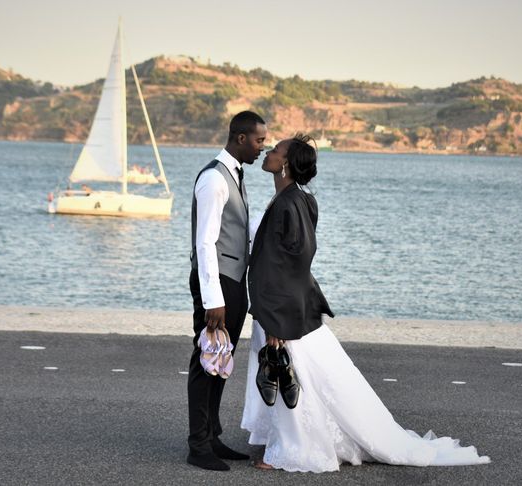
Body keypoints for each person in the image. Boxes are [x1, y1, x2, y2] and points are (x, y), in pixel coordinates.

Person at [241, 134, 491, 473]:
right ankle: (292, 442)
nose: (269, 152)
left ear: (285, 163)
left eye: (276, 150)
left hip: (282, 312)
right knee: (304, 380)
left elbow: (290, 265)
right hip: (283, 308)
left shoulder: (289, 204)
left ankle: (300, 450)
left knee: (292, 380)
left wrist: (275, 322)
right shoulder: (297, 198)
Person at [187, 110, 267, 472]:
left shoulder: (234, 174)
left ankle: (212, 435)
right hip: (217, 284)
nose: (262, 147)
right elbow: (204, 243)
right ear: (240, 138)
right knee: (206, 361)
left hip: (233, 282)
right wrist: (213, 299)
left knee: (220, 363)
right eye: (259, 140)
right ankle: (198, 446)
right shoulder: (213, 180)